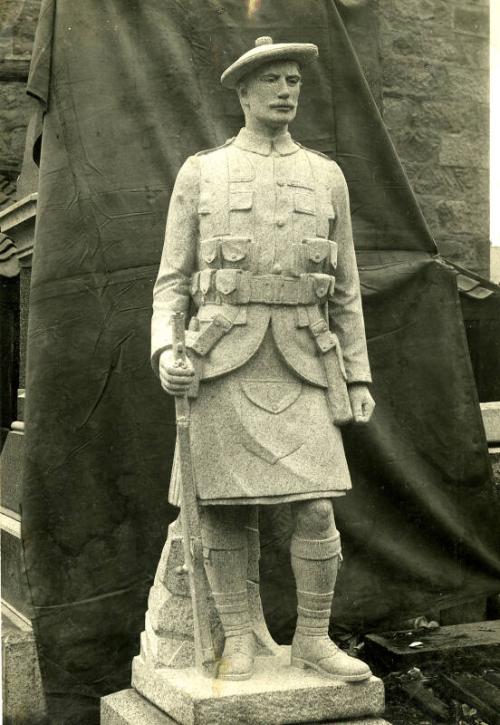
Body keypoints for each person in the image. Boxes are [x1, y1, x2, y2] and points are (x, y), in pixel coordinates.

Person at [151, 37, 375, 683]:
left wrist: (357, 374)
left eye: (294, 81)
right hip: (220, 358)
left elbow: (349, 288)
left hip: (305, 358)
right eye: (272, 80)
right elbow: (171, 281)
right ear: (243, 93)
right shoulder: (202, 171)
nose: (285, 91)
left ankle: (311, 638)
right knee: (224, 508)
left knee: (314, 505)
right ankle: (240, 635)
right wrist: (167, 347)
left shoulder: (327, 174)